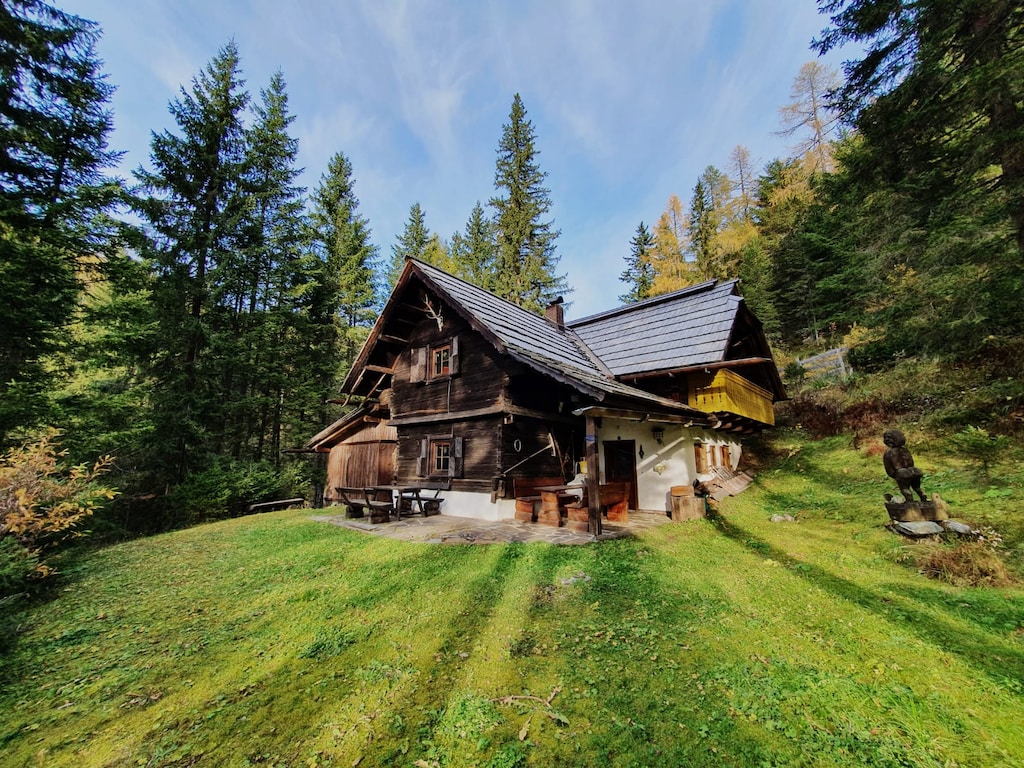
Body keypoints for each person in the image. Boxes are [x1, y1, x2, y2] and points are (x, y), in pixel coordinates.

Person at [883, 429, 927, 502]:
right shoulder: (905, 450)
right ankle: (923, 496)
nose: (887, 440)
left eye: (888, 438)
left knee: (905, 488)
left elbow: (889, 467)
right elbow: (911, 461)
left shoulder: (889, 452)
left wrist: (894, 475)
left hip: (902, 473)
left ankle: (910, 502)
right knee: (917, 487)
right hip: (913, 470)